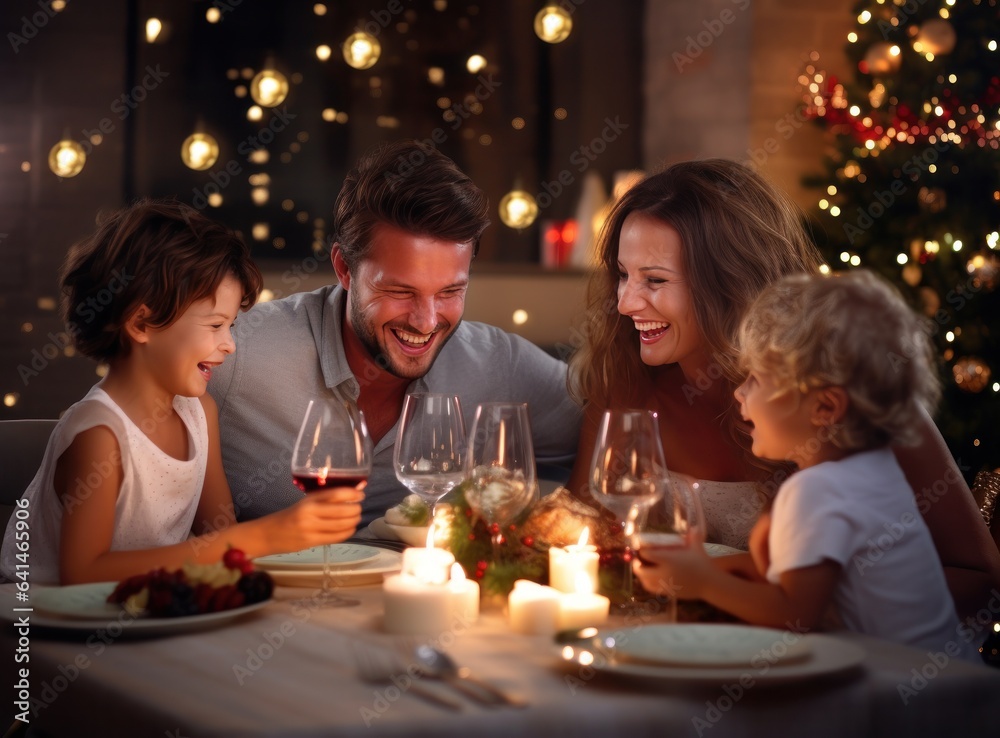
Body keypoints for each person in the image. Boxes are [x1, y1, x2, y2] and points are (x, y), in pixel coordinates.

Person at [566, 158, 1000, 618]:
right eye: (622, 274)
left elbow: (980, 578)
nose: (625, 302)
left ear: (730, 283)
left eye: (654, 280)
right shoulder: (624, 386)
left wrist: (796, 599)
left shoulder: (848, 397)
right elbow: (585, 540)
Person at [209, 140, 582, 527]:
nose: (425, 321)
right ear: (344, 268)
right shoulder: (241, 352)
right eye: (401, 292)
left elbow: (608, 415)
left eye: (450, 292)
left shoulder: (497, 365)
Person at [0, 200, 365, 585]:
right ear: (141, 323)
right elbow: (84, 575)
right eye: (215, 325)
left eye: (231, 326)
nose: (230, 345)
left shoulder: (198, 412)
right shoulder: (99, 437)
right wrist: (260, 535)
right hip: (41, 625)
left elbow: (218, 537)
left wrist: (288, 540)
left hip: (138, 617)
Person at [634, 270, 978, 658]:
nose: (739, 392)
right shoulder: (874, 469)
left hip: (908, 697)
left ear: (824, 407)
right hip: (952, 675)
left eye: (757, 380)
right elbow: (810, 579)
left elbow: (794, 616)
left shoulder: (816, 489)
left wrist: (702, 583)